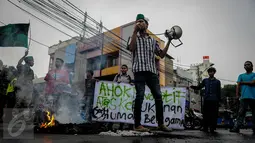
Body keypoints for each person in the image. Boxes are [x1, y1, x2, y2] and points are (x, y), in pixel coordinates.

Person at [129, 14, 173, 132]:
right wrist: (134, 31)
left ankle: (161, 124)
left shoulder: (153, 40)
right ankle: (137, 125)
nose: (139, 23)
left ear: (146, 25)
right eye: (137, 22)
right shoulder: (133, 37)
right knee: (140, 96)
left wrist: (169, 40)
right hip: (139, 71)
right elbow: (131, 48)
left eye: (141, 21)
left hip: (152, 72)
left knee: (158, 97)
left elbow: (161, 55)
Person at [190, 67, 221, 133]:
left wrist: (219, 101)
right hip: (207, 100)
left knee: (214, 114)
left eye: (212, 71)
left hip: (215, 100)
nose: (210, 73)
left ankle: (212, 128)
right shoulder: (205, 80)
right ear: (208, 73)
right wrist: (193, 87)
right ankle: (205, 127)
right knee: (206, 114)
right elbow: (199, 86)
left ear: (214, 72)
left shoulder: (217, 82)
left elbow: (219, 92)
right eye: (209, 72)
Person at [230, 61, 255, 133]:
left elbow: (253, 82)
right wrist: (237, 95)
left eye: (248, 64)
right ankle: (236, 127)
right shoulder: (241, 75)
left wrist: (242, 82)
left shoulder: (254, 74)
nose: (246, 66)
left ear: (252, 66)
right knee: (241, 113)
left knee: (254, 113)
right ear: (244, 67)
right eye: (245, 65)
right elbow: (238, 86)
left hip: (254, 97)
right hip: (244, 97)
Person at [108, 64, 133, 131]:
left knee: (123, 111)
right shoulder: (117, 76)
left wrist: (131, 85)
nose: (123, 69)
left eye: (124, 68)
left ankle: (121, 127)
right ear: (121, 69)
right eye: (122, 68)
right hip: (117, 97)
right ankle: (110, 126)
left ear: (127, 69)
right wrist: (116, 83)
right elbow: (112, 85)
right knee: (115, 111)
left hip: (125, 98)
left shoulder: (129, 77)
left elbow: (131, 87)